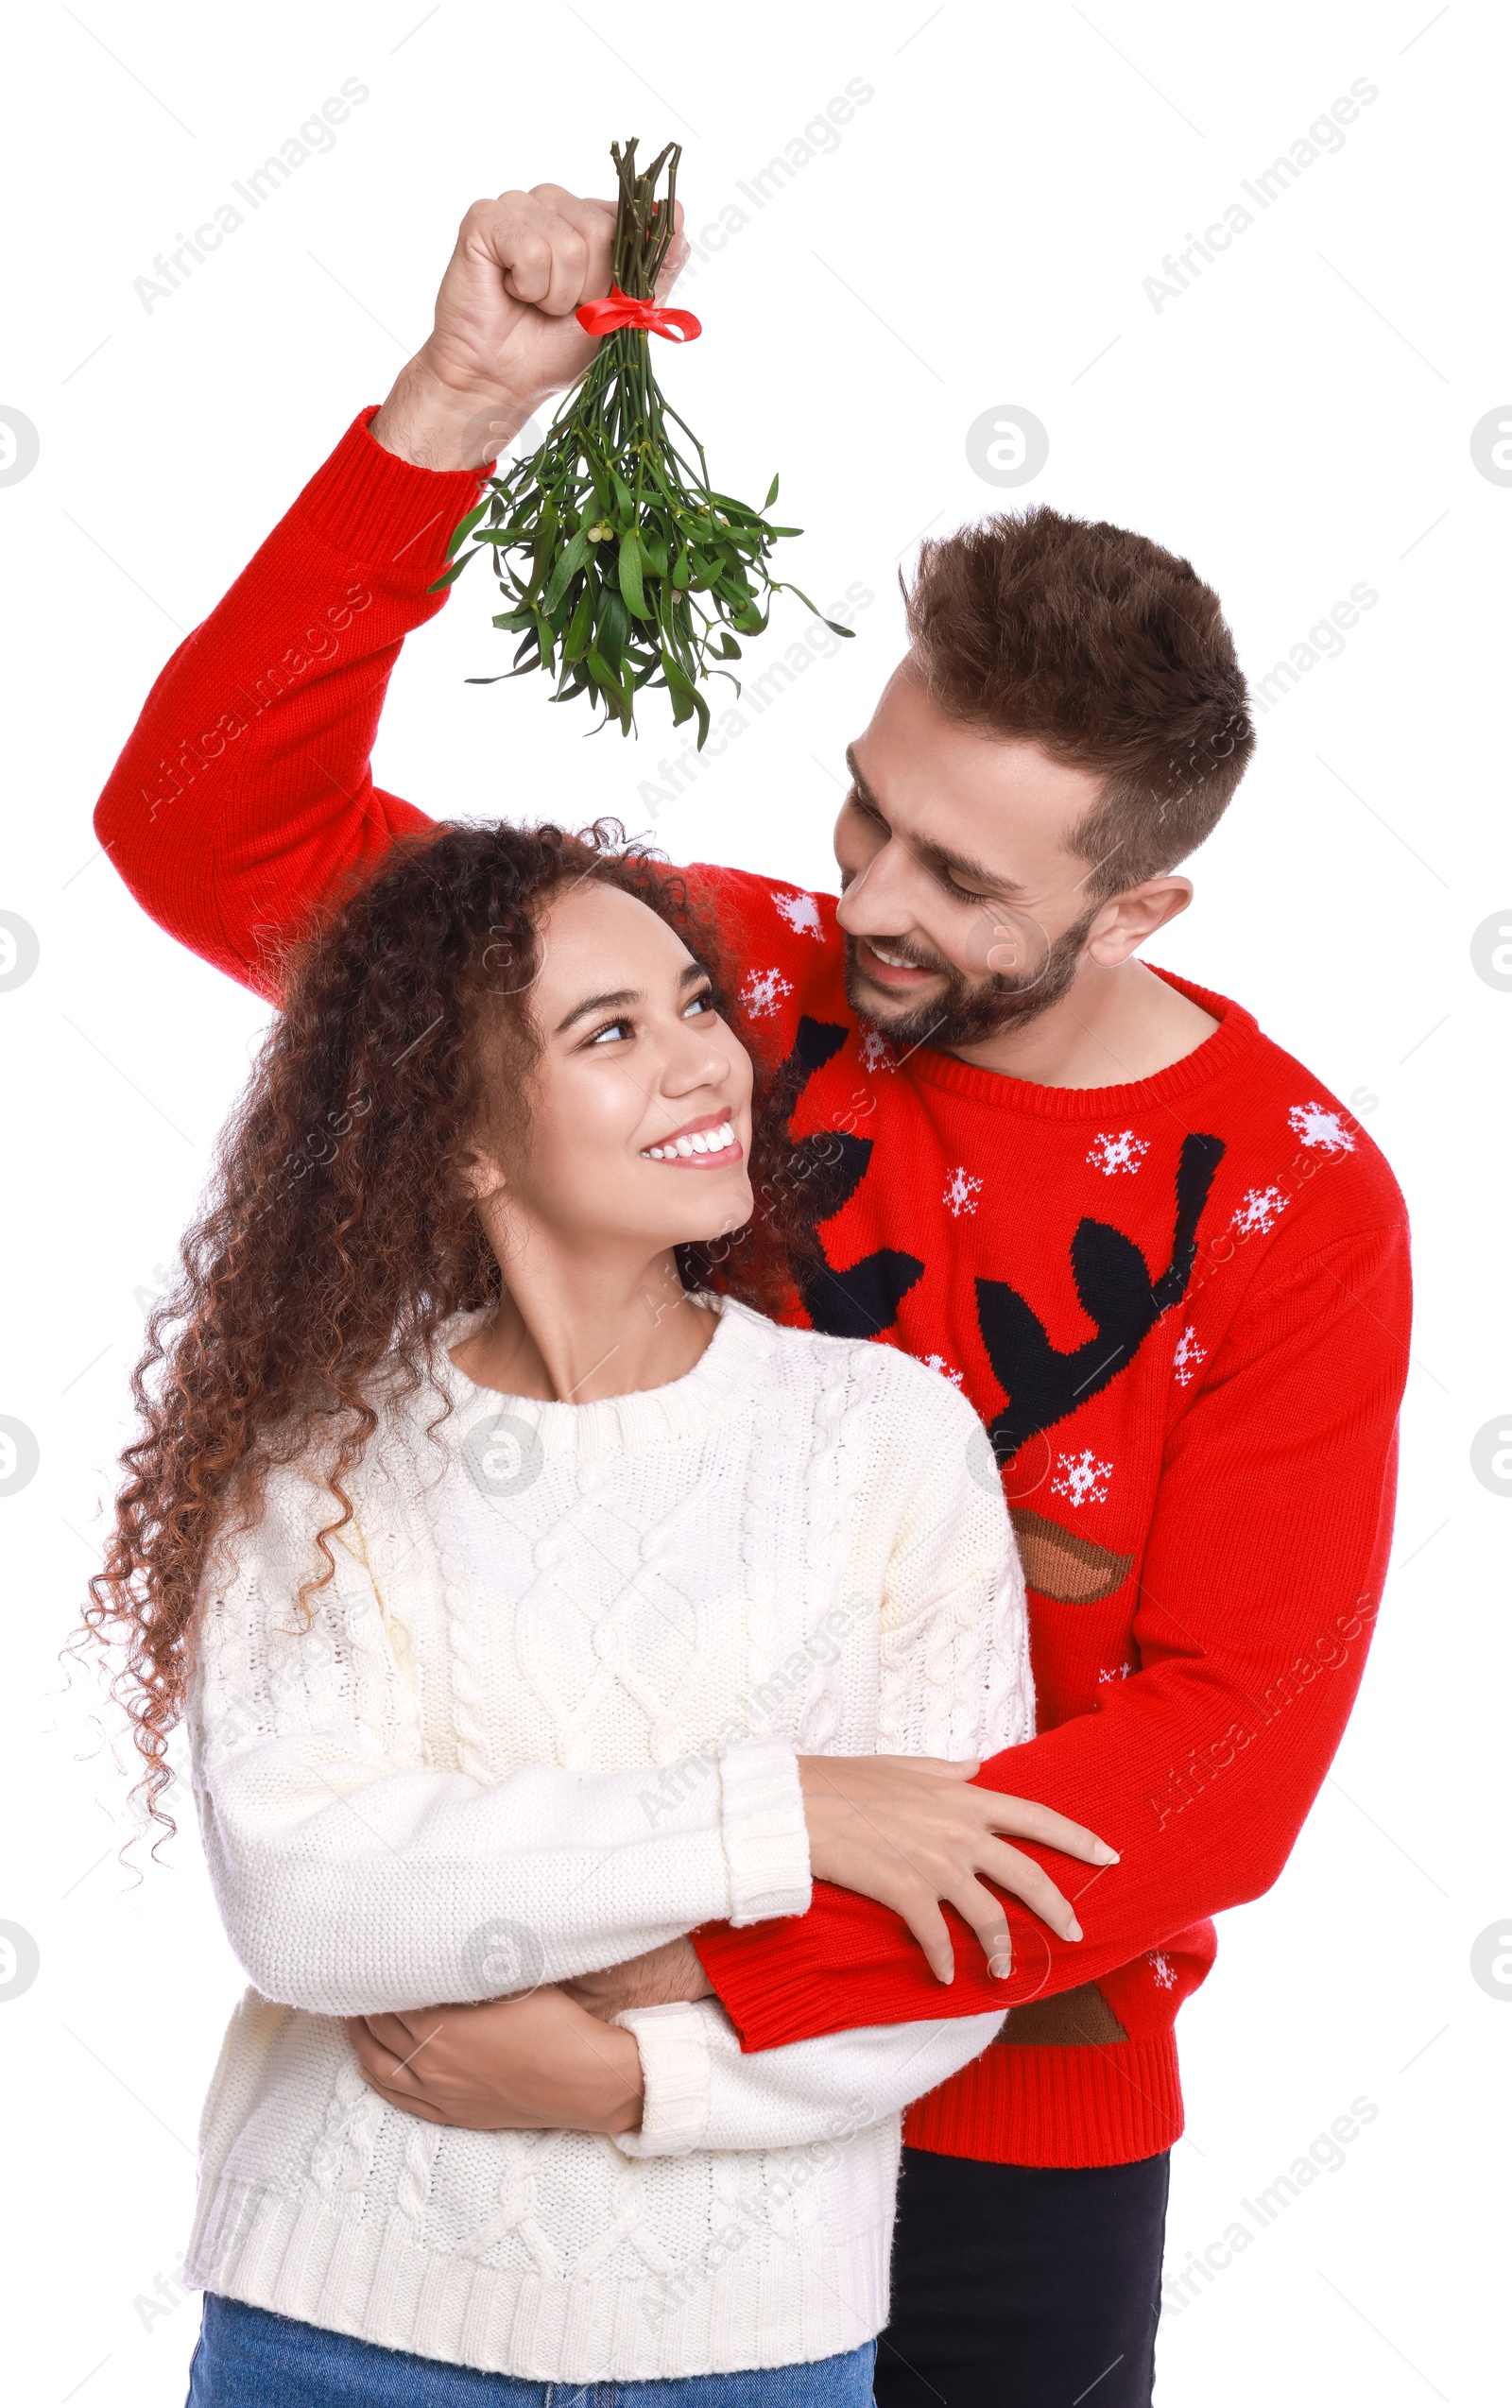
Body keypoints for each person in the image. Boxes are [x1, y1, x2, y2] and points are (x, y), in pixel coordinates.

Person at [92, 181, 1413, 2408]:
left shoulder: (1288, 1201)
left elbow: (1221, 1756)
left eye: (961, 880)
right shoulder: (710, 1001)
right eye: (864, 815)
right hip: (478, 2141)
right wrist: (452, 412)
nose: (863, 901)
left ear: (1142, 900)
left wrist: (652, 2008)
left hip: (989, 2138)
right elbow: (210, 834)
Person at [86, 814, 1122, 2403]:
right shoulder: (325, 1464)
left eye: (700, 1003)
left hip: (755, 2349)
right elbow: (309, 1897)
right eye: (611, 1032)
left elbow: (950, 1940)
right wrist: (787, 1824)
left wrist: (627, 2078)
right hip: (345, 2331)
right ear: (467, 1141)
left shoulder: (887, 1440)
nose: (706, 1064)